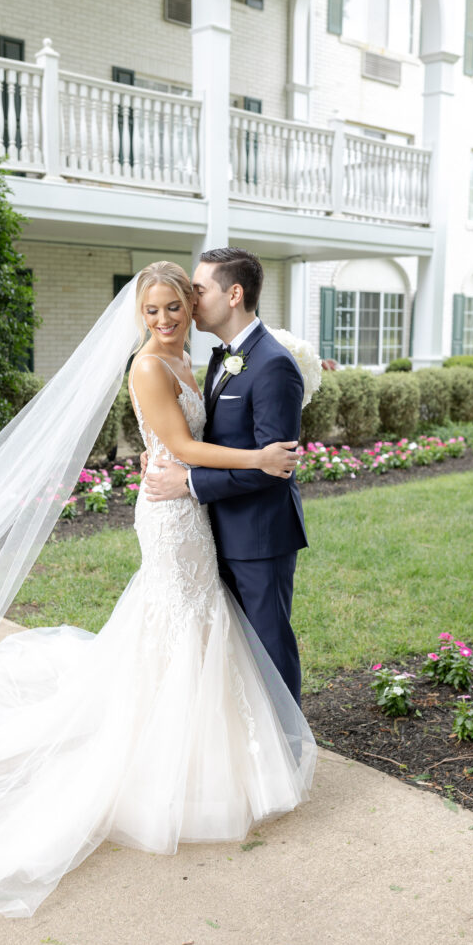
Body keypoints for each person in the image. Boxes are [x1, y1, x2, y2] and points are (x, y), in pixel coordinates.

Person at [0, 262, 316, 919]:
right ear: (139, 313)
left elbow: (205, 437)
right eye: (151, 310)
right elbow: (180, 442)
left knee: (202, 625)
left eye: (176, 305)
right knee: (179, 619)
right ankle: (165, 766)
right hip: (172, 514)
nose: (165, 318)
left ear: (194, 303)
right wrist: (255, 460)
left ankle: (221, 752)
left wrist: (221, 466)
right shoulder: (149, 367)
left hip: (197, 510)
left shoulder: (202, 361)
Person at [144, 248, 308, 706]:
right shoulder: (221, 358)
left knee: (268, 650)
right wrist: (159, 445)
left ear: (234, 294)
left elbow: (273, 468)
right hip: (215, 531)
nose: (191, 301)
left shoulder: (272, 364)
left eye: (198, 290)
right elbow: (211, 436)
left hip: (259, 535)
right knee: (231, 654)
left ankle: (287, 758)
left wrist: (189, 483)